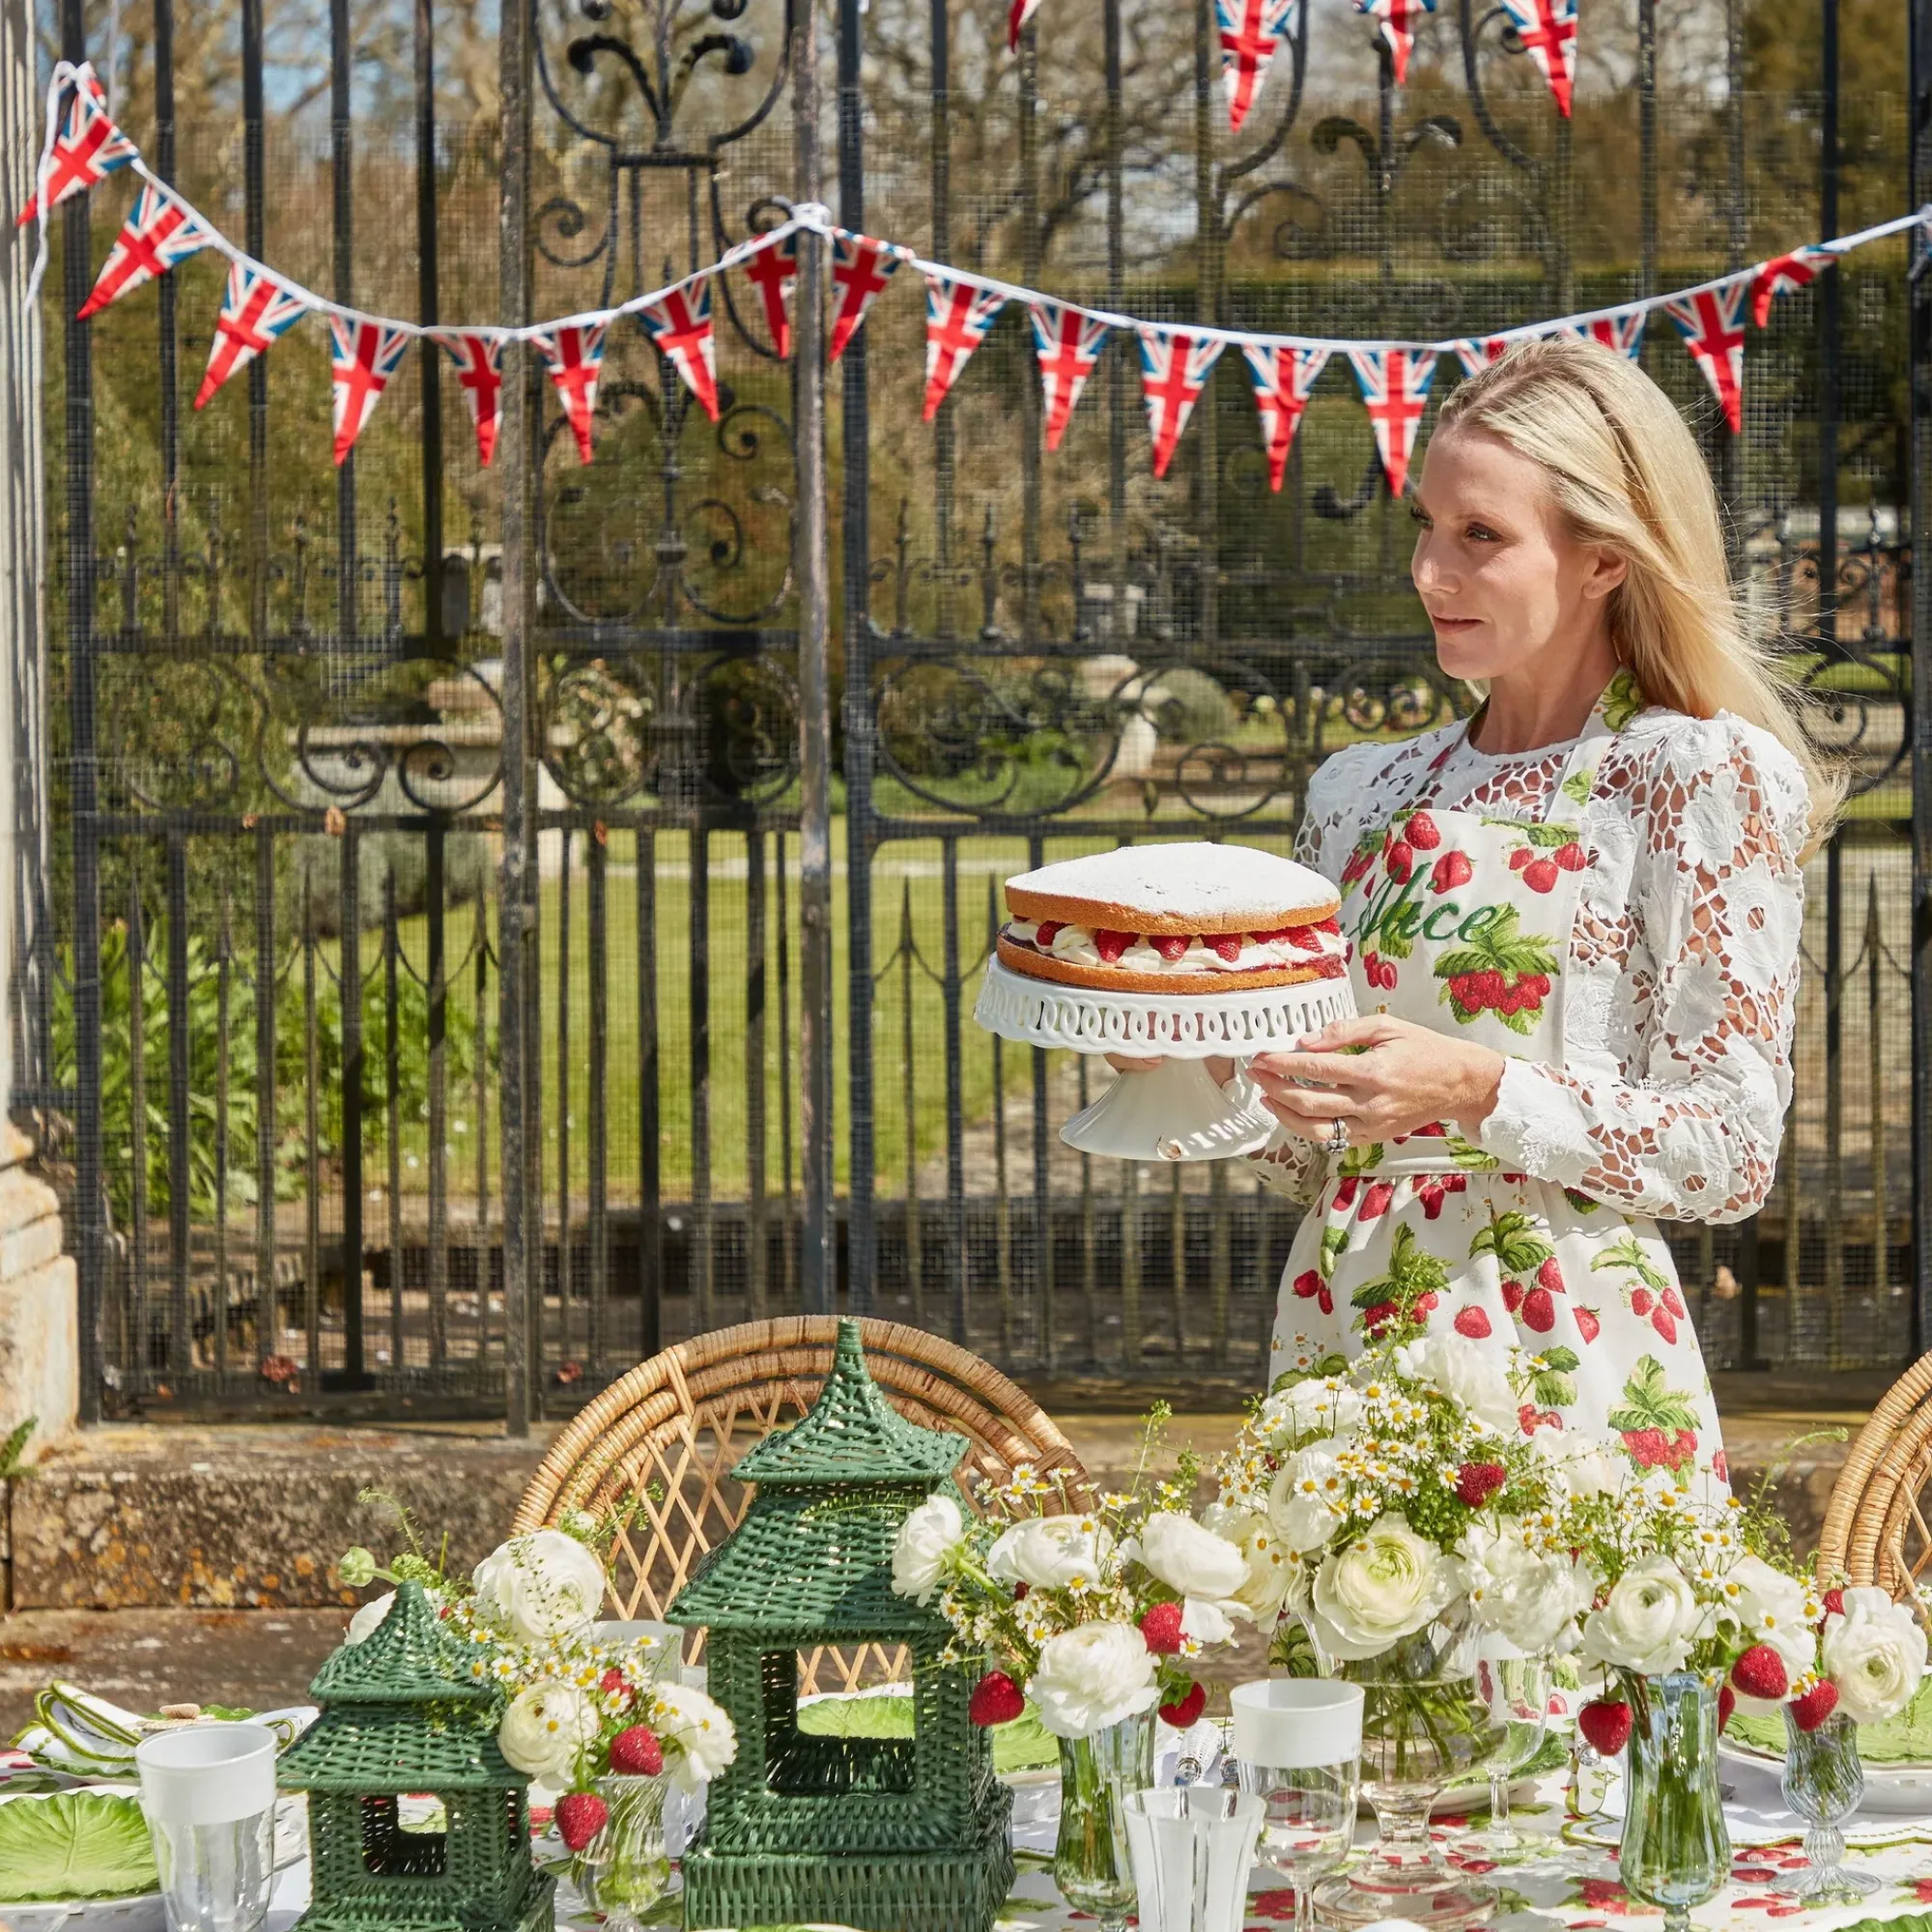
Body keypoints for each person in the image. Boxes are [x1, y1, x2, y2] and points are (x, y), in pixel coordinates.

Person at [1112, 336, 1836, 1489]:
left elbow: (1728, 1152)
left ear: (1603, 558)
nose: (1426, 569)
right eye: (1424, 525)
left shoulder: (1693, 777)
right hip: (1344, 1340)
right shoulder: (1358, 793)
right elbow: (1309, 1156)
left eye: (1479, 535)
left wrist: (1473, 1085)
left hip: (1571, 1360)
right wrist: (1187, 1057)